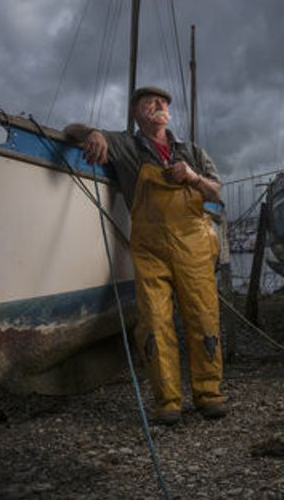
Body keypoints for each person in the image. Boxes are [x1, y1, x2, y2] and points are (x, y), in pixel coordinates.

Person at [64, 86, 226, 425]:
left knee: (204, 316)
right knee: (154, 321)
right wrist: (92, 133)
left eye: (163, 101)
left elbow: (216, 191)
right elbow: (71, 131)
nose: (159, 104)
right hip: (150, 249)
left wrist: (193, 176)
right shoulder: (125, 145)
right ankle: (167, 402)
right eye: (149, 101)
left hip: (194, 244)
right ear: (136, 113)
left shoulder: (191, 150)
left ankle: (209, 394)